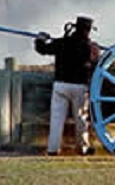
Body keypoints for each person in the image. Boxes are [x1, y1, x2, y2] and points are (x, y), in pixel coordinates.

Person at [34, 16, 100, 156]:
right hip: (80, 87)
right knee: (81, 119)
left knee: (56, 119)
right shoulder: (89, 47)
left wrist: (40, 38)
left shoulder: (62, 42)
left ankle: (53, 149)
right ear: (87, 31)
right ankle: (82, 148)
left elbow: (42, 49)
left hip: (60, 85)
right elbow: (96, 65)